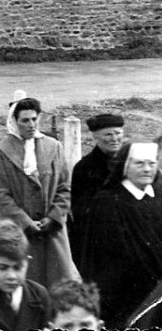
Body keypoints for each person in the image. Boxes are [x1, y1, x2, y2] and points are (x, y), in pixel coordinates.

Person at [0, 97, 79, 287]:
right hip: (20, 235)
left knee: (61, 286)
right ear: (14, 122)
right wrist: (26, 223)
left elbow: (65, 186)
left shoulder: (54, 147)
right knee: (25, 287)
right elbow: (1, 197)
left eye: (34, 119)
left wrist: (54, 217)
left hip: (52, 233)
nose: (31, 125)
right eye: (25, 120)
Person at [80, 141, 162, 327]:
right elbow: (102, 258)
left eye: (151, 163)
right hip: (122, 292)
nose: (147, 169)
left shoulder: (159, 195)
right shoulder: (107, 202)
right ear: (125, 165)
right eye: (139, 163)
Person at [69, 113, 125, 266]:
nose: (114, 138)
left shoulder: (129, 162)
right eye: (108, 134)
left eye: (118, 133)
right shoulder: (84, 168)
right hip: (99, 241)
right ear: (95, 137)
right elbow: (81, 210)